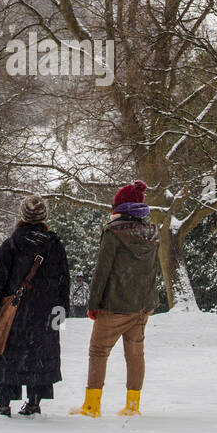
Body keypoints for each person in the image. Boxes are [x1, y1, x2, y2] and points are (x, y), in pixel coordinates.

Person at [71, 179, 159, 419]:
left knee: (98, 351)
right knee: (135, 354)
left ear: (120, 207)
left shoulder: (113, 232)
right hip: (141, 306)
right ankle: (133, 405)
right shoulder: (153, 232)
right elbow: (152, 270)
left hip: (115, 305)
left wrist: (93, 305)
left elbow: (102, 271)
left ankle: (91, 406)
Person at [0, 195, 70, 417]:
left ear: (22, 215)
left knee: (8, 356)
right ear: (44, 216)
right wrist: (60, 311)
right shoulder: (55, 245)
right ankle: (34, 402)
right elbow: (63, 280)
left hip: (15, 313)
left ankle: (4, 403)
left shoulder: (11, 244)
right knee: (39, 357)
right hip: (44, 312)